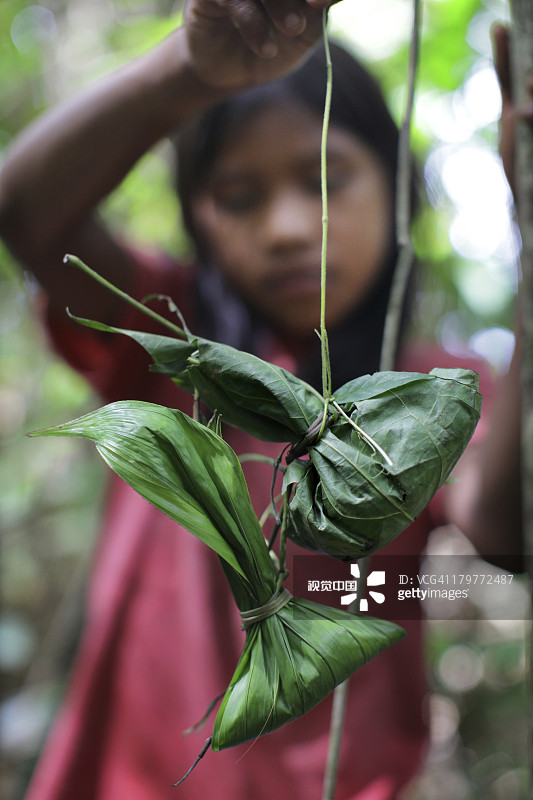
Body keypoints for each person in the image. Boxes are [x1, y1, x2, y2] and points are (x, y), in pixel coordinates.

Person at [0, 4, 528, 799]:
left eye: (325, 181)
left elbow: (503, 527)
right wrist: (186, 71)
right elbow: (27, 213)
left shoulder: (430, 395)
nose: (285, 228)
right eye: (241, 196)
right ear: (198, 215)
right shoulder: (176, 343)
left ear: (396, 189)